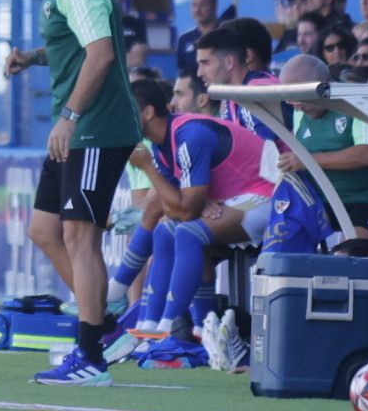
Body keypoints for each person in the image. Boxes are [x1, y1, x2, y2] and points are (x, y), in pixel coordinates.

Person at [1, 0, 142, 385]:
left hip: (95, 129)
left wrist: (68, 114)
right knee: (44, 230)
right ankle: (102, 327)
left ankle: (92, 357)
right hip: (79, 129)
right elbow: (77, 44)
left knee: (81, 238)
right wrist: (33, 58)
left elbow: (101, 54)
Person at [118, 78, 276, 340]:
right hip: (233, 200)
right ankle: (187, 327)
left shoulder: (189, 135)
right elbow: (172, 206)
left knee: (188, 232)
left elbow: (185, 210)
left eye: (126, 112)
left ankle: (167, 329)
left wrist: (148, 168)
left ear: (147, 112)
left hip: (265, 195)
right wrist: (195, 202)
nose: (120, 120)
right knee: (166, 231)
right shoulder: (162, 144)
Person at [277, 54, 368, 231]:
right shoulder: (300, 108)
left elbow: (367, 155)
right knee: (280, 235)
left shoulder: (358, 101)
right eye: (288, 97)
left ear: (318, 83)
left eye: (296, 96)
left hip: (362, 200)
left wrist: (306, 160)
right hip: (317, 202)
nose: (294, 104)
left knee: (352, 251)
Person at [175, 0, 217, 75]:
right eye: (194, 5)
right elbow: (181, 73)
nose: (198, 10)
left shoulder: (225, 35)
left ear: (214, 6)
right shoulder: (184, 39)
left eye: (203, 5)